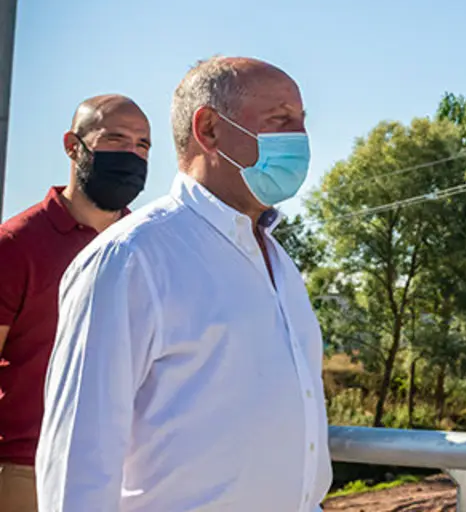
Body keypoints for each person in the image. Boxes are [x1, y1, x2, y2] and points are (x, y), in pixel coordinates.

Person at [37, 57, 330, 512]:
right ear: (209, 129)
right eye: (280, 120)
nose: (301, 138)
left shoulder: (278, 262)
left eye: (301, 121)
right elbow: (79, 458)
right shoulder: (132, 258)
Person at [0, 95, 150, 512]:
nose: (132, 155)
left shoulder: (150, 247)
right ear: (73, 145)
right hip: (27, 473)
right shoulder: (15, 246)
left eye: (142, 145)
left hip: (129, 477)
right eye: (116, 140)